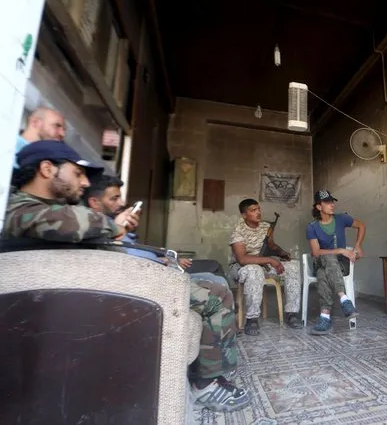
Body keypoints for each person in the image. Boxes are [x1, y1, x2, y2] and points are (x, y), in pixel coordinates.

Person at [3, 141, 250, 412]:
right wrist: (114, 225)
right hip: (112, 288)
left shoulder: (47, 207)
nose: (84, 182)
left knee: (214, 279)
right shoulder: (17, 208)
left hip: (112, 282)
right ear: (47, 169)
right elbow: (72, 224)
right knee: (215, 289)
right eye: (77, 173)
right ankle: (206, 384)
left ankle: (212, 372)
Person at [82, 174, 230, 287]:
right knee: (216, 279)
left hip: (159, 263)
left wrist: (127, 229)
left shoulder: (112, 222)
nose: (121, 203)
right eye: (114, 198)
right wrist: (165, 260)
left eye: (120, 197)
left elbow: (130, 249)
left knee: (214, 266)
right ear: (94, 202)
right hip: (156, 272)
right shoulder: (95, 228)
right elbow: (124, 261)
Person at [229, 199, 302, 335]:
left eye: (258, 209)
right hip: (241, 268)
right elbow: (242, 259)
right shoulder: (238, 231)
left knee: (292, 266)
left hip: (263, 265)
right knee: (254, 270)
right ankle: (252, 319)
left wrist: (282, 253)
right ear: (244, 215)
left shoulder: (265, 227)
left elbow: (271, 246)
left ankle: (291, 313)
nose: (258, 213)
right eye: (253, 210)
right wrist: (270, 260)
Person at [306, 190, 366, 335]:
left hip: (340, 266)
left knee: (322, 274)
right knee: (326, 261)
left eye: (332, 201)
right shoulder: (312, 227)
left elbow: (361, 225)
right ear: (319, 207)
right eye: (327, 202)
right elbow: (316, 252)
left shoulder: (341, 219)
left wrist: (358, 245)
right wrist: (340, 250)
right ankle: (344, 299)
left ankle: (325, 317)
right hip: (323, 262)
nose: (332, 205)